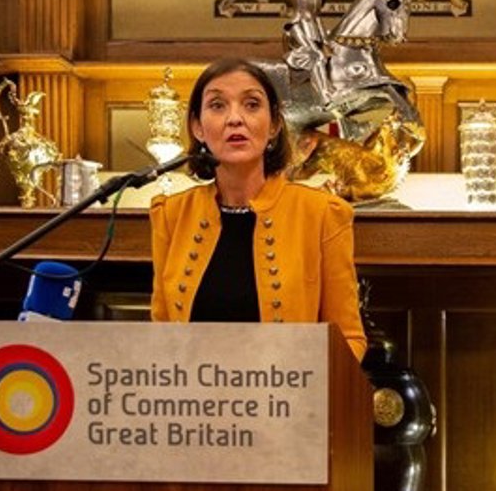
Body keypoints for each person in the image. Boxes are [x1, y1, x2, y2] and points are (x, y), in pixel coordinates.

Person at [149, 58, 366, 360]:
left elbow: (349, 339)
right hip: (193, 388)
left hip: (289, 389)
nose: (235, 119)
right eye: (217, 105)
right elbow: (160, 335)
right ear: (198, 127)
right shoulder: (172, 214)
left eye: (251, 105)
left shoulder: (322, 213)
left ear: (274, 124)